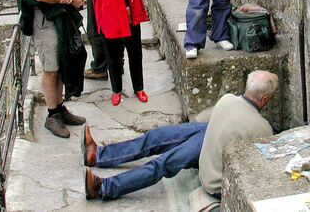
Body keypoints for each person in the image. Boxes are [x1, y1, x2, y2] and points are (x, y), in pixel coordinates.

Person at [82, 70, 278, 201]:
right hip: (212, 157)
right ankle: (99, 155)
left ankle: (104, 187)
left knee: (163, 163)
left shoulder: (228, 101)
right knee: (161, 135)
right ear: (266, 99)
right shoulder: (262, 128)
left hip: (216, 178)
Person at [16, 0, 87, 138]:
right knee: (50, 68)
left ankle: (59, 109)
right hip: (43, 16)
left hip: (58, 11)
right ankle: (52, 115)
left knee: (62, 61)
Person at [198, 70, 277, 200]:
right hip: (219, 186)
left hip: (205, 175)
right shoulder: (261, 127)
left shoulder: (226, 99)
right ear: (265, 99)